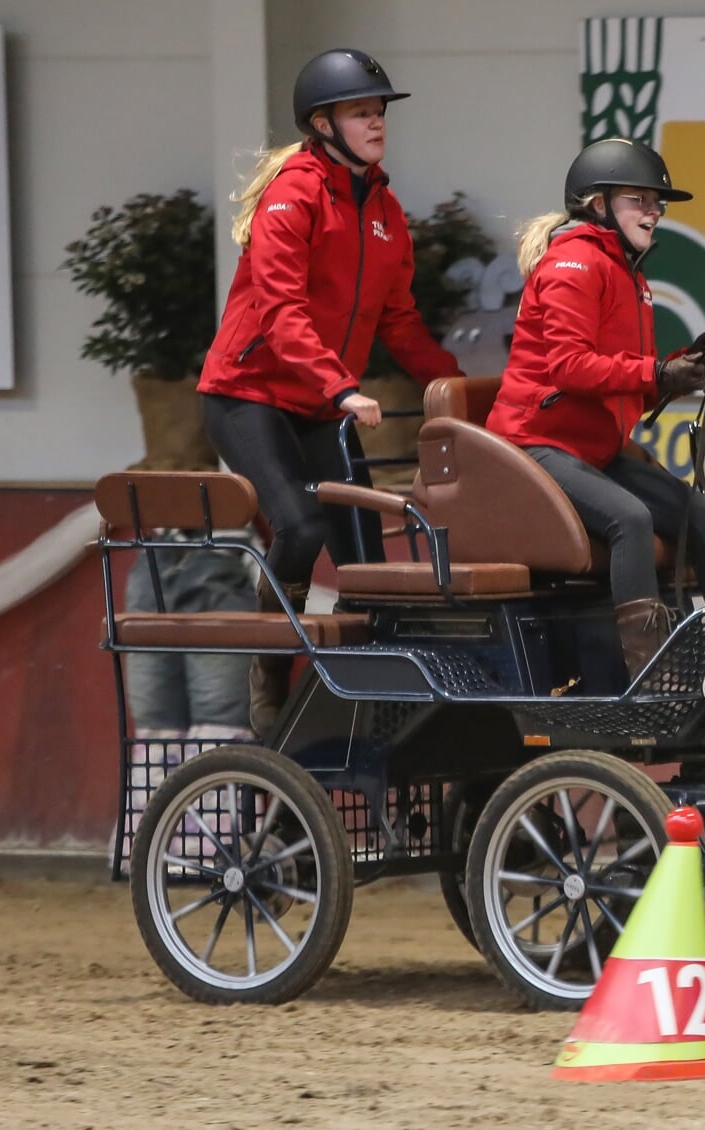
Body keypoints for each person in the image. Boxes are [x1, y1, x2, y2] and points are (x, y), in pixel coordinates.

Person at [196, 48, 465, 733]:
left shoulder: (383, 205)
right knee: (302, 523)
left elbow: (400, 321)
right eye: (360, 112)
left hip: (317, 401)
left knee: (363, 553)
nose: (377, 122)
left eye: (379, 112)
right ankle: (268, 664)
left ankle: (373, 703)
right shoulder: (293, 192)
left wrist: (461, 389)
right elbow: (280, 311)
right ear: (322, 123)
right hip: (246, 392)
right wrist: (343, 388)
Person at [486, 137, 705, 677]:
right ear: (598, 205)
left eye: (656, 203)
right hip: (536, 446)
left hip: (593, 450)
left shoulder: (629, 275)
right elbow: (570, 368)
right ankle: (647, 673)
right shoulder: (575, 264)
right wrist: (655, 372)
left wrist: (680, 369)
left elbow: (622, 375)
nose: (653, 212)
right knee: (631, 518)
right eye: (638, 200)